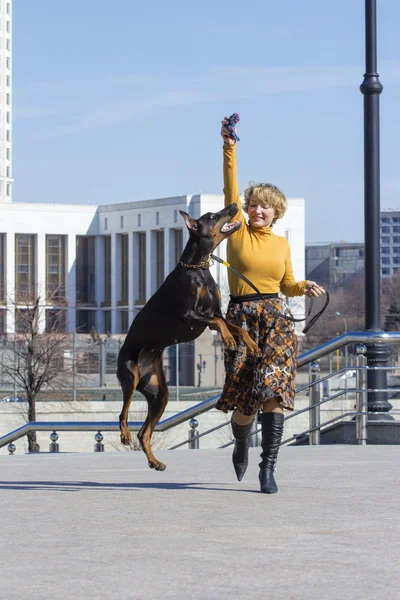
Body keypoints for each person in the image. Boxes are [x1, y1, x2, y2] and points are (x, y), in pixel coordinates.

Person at [215, 116, 325, 494]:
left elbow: (287, 284)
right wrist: (229, 146)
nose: (258, 210)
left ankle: (268, 468)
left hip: (276, 318)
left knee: (274, 390)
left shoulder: (281, 244)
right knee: (246, 397)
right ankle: (242, 441)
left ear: (277, 213)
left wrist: (303, 286)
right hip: (242, 319)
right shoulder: (238, 229)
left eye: (265, 207)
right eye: (253, 205)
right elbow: (230, 184)